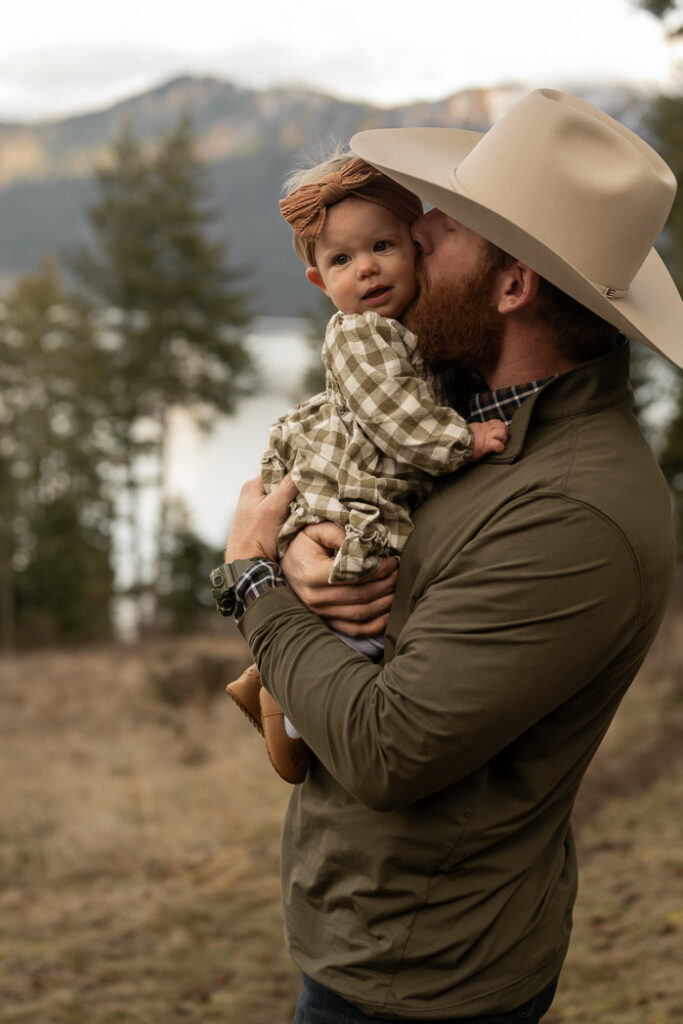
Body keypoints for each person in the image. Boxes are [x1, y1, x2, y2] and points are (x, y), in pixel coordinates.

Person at [217, 89, 683, 1023]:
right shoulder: (473, 417)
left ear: (511, 286)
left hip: (420, 973)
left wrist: (254, 579)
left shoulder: (572, 513)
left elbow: (388, 749)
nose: (413, 233)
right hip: (376, 929)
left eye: (451, 225)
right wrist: (308, 556)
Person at [222, 154, 507, 783]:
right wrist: (466, 440)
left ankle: (262, 680)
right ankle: (290, 709)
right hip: (360, 492)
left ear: (416, 250)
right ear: (320, 283)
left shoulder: (409, 330)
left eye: (383, 246)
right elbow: (401, 422)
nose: (367, 268)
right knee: (366, 605)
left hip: (376, 481)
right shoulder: (361, 337)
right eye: (343, 261)